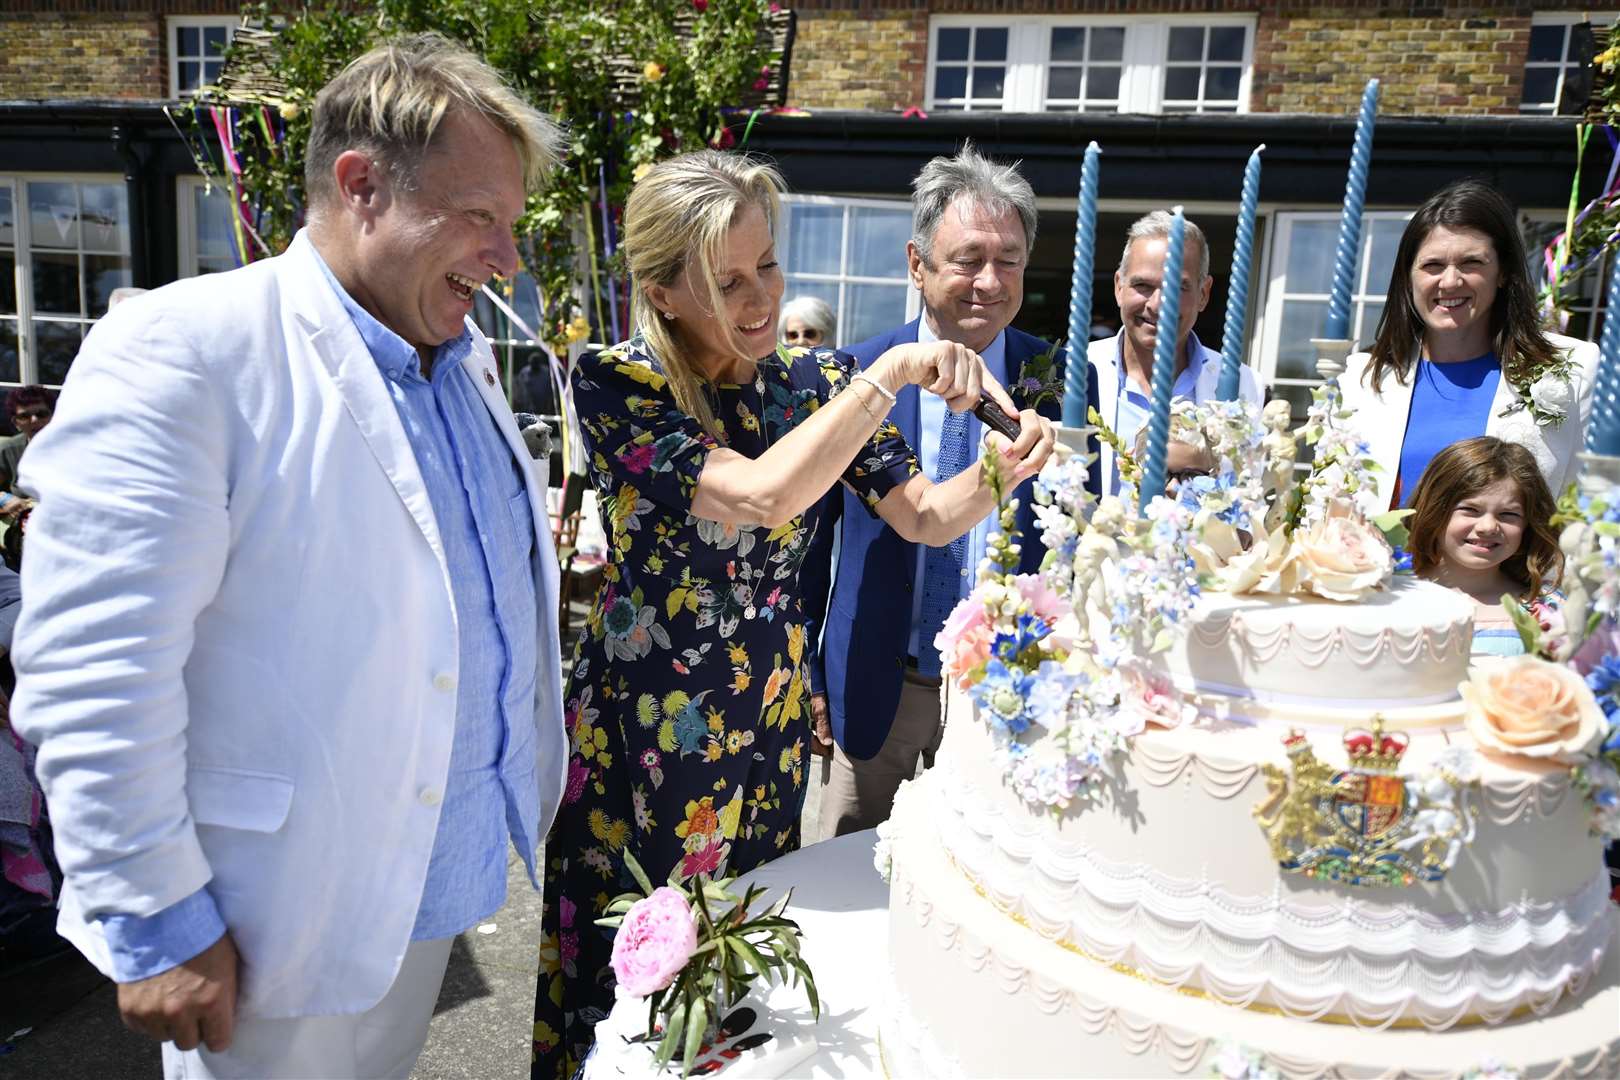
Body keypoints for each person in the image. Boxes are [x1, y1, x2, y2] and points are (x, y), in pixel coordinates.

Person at [12, 34, 569, 1079]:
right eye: (481, 218)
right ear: (360, 185)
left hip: (424, 891)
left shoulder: (462, 359)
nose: (508, 260)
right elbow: (93, 673)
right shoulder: (186, 349)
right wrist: (155, 918)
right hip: (271, 922)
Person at [530, 150, 1054, 1077]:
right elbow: (764, 495)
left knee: (740, 982)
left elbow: (925, 516)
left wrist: (1007, 469)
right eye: (724, 280)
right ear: (663, 293)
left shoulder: (809, 385)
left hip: (762, 735)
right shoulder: (618, 382)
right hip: (645, 743)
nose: (760, 295)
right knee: (627, 983)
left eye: (767, 265)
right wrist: (887, 372)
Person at [804, 143, 1092, 839]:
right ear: (917, 264)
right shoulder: (856, 373)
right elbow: (811, 541)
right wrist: (809, 676)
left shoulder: (1061, 379)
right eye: (968, 259)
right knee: (853, 878)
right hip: (879, 688)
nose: (990, 281)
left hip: (1011, 695)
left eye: (1009, 261)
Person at [1339, 179, 1599, 510]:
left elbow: (1592, 501)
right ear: (1408, 277)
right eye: (1432, 265)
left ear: (1502, 272)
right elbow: (1333, 502)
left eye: (1471, 263)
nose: (1450, 281)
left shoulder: (1572, 368)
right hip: (1386, 562)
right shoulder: (1363, 377)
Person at [1090, 210, 1264, 493]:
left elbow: (1247, 502)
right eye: (1143, 285)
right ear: (1119, 286)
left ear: (1204, 293)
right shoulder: (1075, 369)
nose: (1158, 305)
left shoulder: (1243, 384)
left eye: (1178, 287)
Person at [1406, 436, 1563, 657]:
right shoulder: (1391, 595)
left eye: (1508, 514)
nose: (1488, 527)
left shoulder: (1547, 610)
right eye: (1470, 510)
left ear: (1528, 524)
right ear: (1435, 510)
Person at [0, 385, 52, 516]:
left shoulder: (78, 448)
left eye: (42, 414)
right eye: (24, 416)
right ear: (16, 423)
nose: (34, 420)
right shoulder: (8, 451)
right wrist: (5, 499)